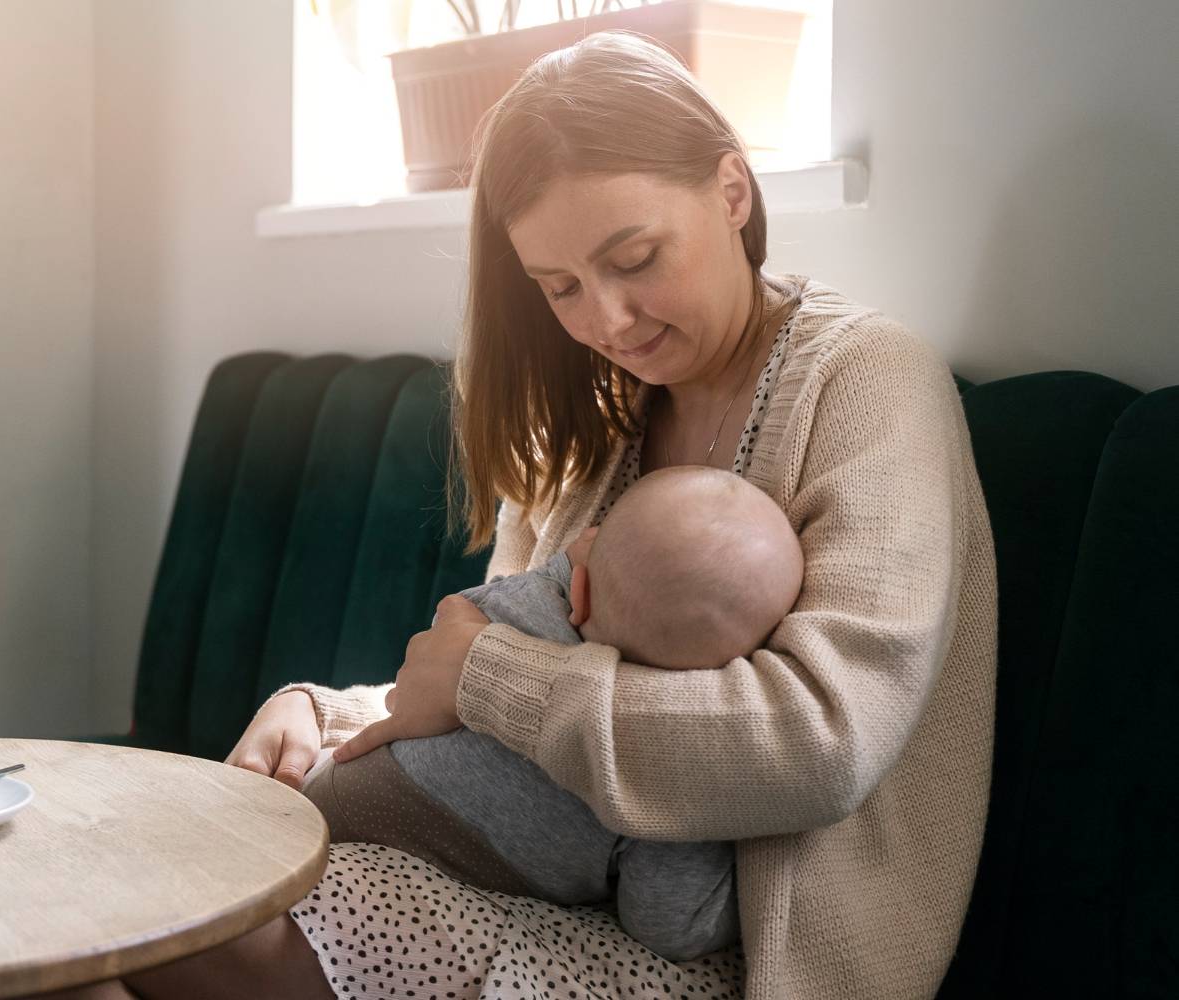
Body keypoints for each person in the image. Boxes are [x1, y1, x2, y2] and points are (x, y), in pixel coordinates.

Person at [57, 27, 995, 1000]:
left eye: (634, 257)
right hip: (537, 882)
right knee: (96, 925)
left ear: (731, 190)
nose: (609, 320)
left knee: (173, 931)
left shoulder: (866, 381)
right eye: (561, 288)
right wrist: (322, 711)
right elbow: (504, 672)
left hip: (730, 956)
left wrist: (486, 676)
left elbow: (817, 742)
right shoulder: (606, 415)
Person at [300, 465, 805, 963]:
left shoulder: (529, 605)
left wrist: (575, 563)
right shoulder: (665, 783)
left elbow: (452, 623)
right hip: (413, 885)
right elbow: (670, 927)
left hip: (340, 794)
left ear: (579, 590)